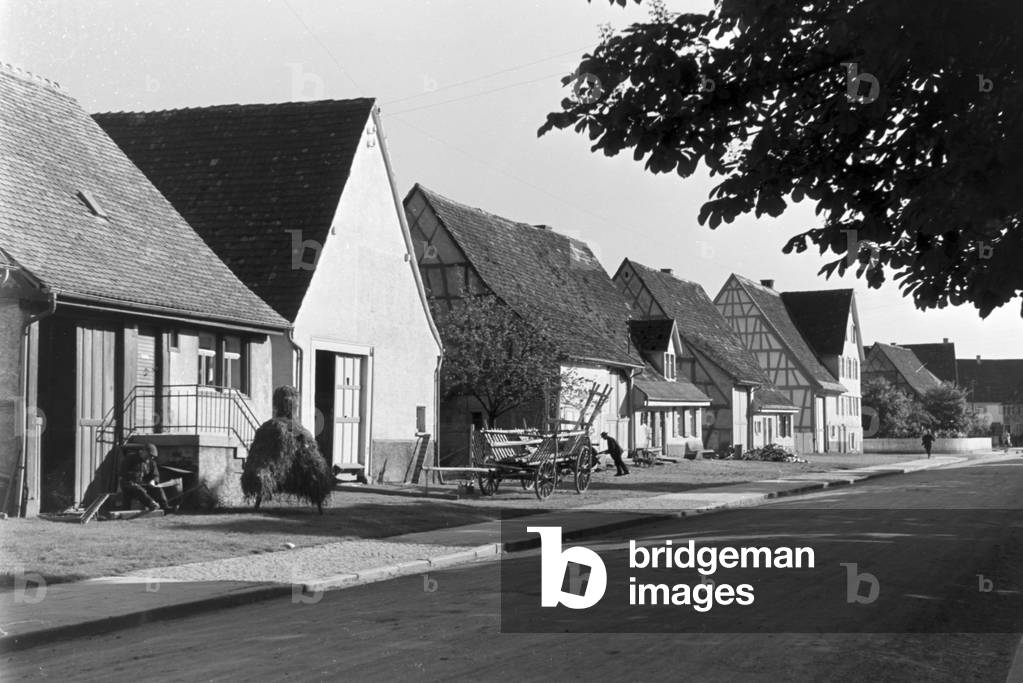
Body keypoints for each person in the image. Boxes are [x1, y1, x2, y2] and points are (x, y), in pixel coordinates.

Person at [121, 443, 171, 512]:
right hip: (129, 485)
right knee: (138, 489)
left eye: (153, 456)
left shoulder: (151, 462)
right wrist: (136, 477)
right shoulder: (130, 458)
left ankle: (165, 507)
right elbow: (122, 472)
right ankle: (151, 504)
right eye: (150, 455)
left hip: (143, 485)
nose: (151, 458)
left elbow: (156, 475)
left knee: (158, 488)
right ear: (143, 451)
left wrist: (153, 481)